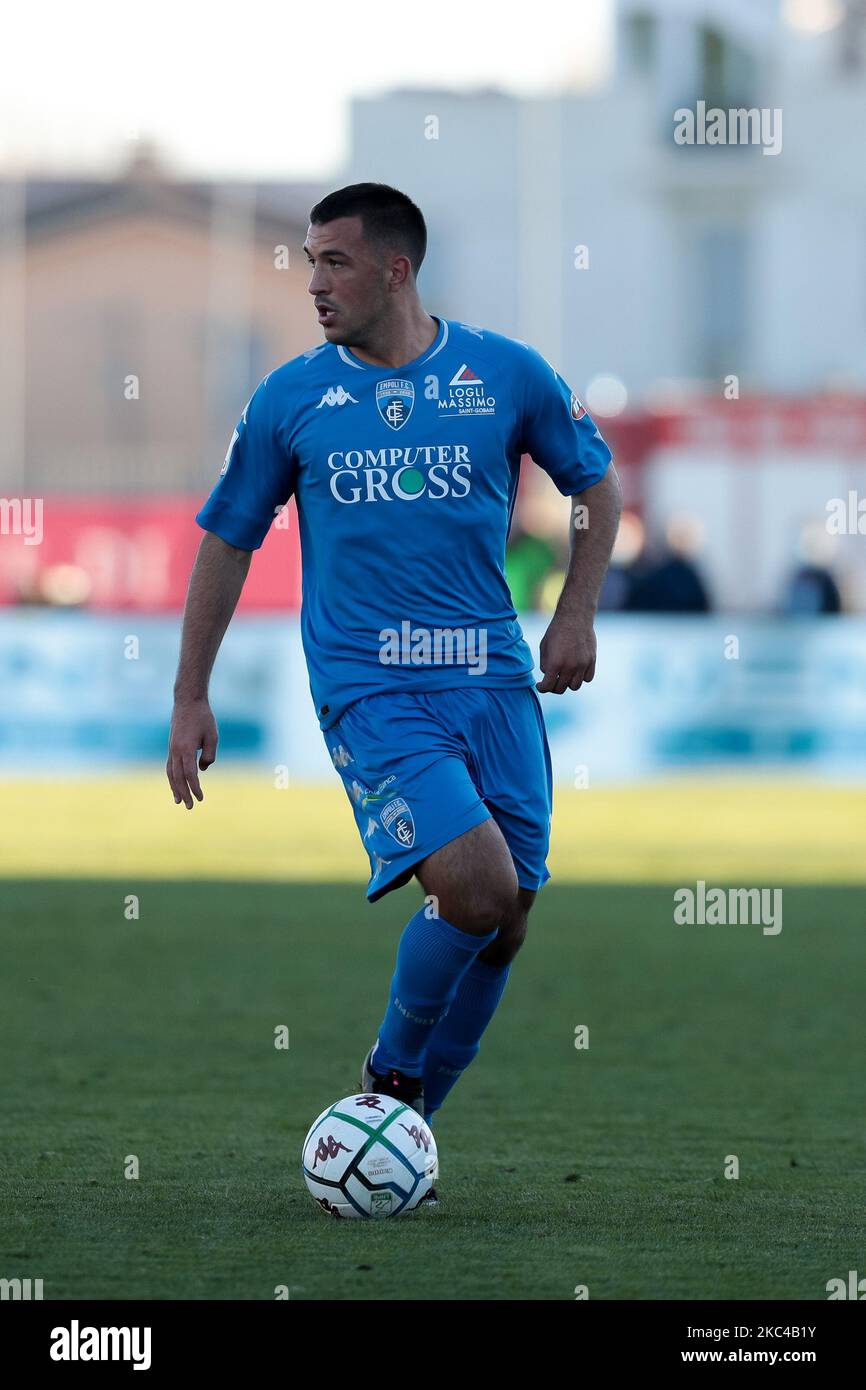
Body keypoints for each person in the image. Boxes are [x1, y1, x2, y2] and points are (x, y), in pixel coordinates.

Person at [167, 182, 622, 1145]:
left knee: (507, 921)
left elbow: (595, 482)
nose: (315, 286)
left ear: (396, 268)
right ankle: (386, 1081)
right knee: (475, 888)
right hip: (371, 690)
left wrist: (576, 611)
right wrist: (189, 693)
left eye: (334, 262)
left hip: (494, 684)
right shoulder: (291, 396)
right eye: (309, 264)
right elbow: (227, 539)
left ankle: (406, 1134)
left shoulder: (506, 373)